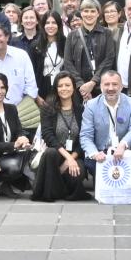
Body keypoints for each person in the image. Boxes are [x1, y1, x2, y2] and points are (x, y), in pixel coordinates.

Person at [79, 68, 131, 187]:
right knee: (104, 180)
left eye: (115, 84)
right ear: (101, 86)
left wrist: (123, 144)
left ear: (121, 86)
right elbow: (85, 136)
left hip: (124, 149)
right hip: (101, 151)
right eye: (106, 84)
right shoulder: (91, 105)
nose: (111, 88)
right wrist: (95, 153)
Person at [33, 72, 87, 202]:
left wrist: (71, 159)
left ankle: (57, 186)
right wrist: (66, 158)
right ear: (56, 89)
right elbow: (48, 135)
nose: (64, 88)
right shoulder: (47, 108)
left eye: (67, 85)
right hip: (56, 153)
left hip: (75, 154)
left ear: (73, 87)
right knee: (50, 153)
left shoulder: (81, 109)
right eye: (60, 85)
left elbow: (84, 139)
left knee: (75, 175)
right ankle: (49, 191)